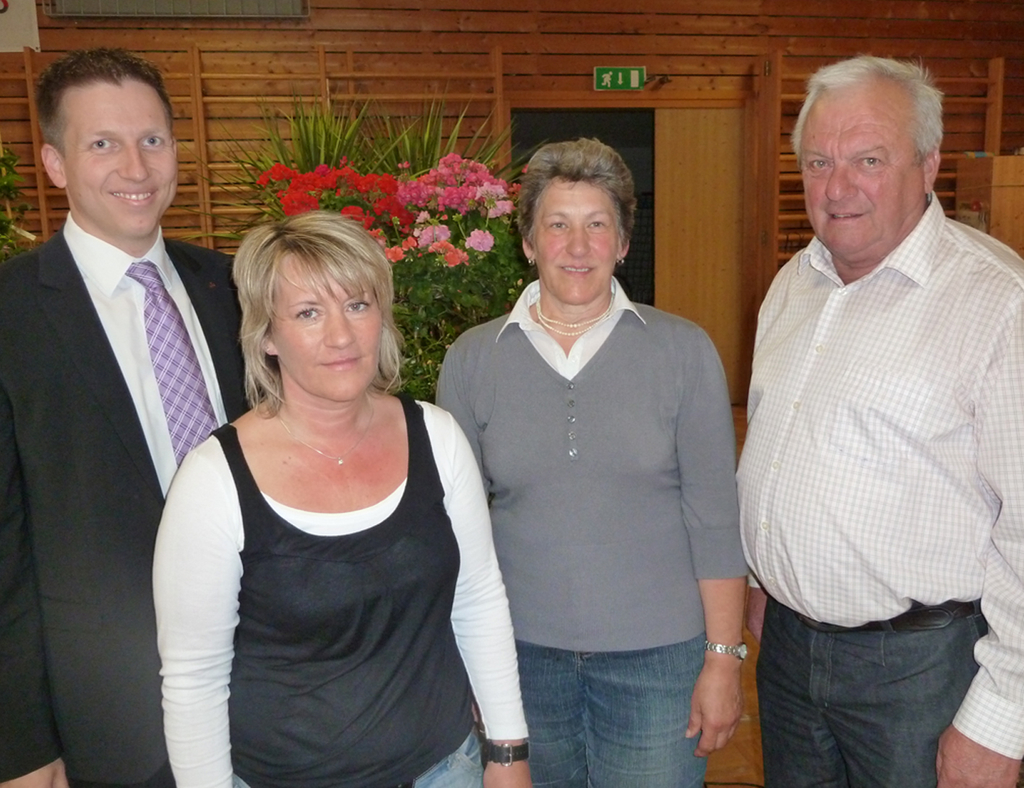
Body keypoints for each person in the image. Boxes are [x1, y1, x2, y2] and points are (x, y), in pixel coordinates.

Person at [153, 210, 531, 788]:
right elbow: (194, 678)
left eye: (357, 304)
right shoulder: (213, 480)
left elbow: (477, 599)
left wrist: (507, 752)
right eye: (308, 312)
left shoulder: (437, 438)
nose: (341, 336)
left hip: (444, 768)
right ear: (266, 336)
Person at [738, 55, 1024, 788]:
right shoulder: (794, 283)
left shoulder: (999, 303)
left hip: (922, 673)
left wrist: (1002, 718)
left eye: (868, 160)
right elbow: (778, 441)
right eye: (818, 162)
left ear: (929, 165)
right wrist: (765, 576)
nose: (837, 188)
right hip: (790, 655)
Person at [437, 138, 748, 788]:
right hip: (520, 662)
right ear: (528, 242)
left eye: (597, 224)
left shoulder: (683, 352)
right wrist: (466, 662)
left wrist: (724, 658)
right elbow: (455, 532)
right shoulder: (472, 360)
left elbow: (716, 520)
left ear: (624, 242)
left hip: (658, 666)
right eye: (558, 225)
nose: (577, 246)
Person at [0, 49, 245, 788]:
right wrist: (22, 745)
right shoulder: (10, 314)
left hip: (265, 697)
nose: (135, 168)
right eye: (103, 143)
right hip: (108, 723)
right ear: (54, 163)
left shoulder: (235, 287)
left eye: (152, 140)